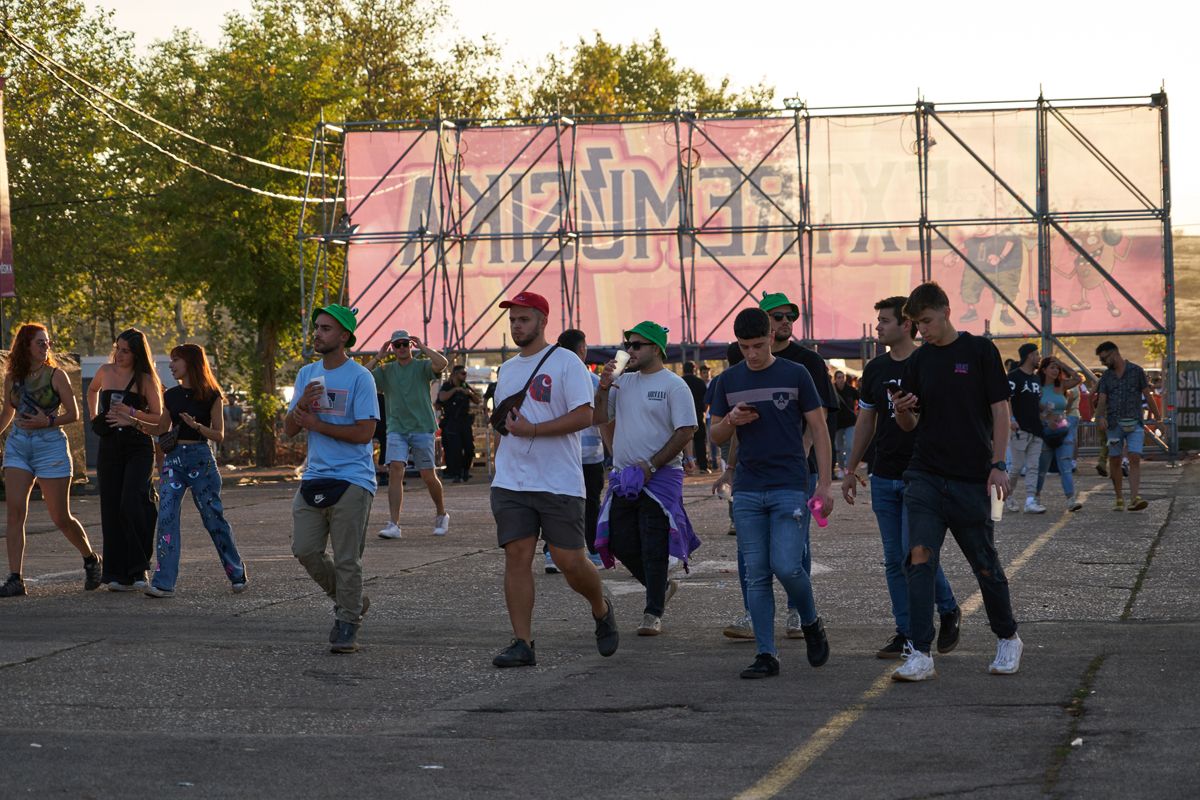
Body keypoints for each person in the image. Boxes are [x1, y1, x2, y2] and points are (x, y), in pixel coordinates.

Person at [891, 281, 1022, 681]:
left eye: (926, 321)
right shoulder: (918, 362)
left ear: (946, 311)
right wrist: (901, 410)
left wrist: (998, 463)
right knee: (918, 558)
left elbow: (1001, 410)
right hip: (925, 475)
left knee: (984, 565)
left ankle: (1007, 637)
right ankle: (919, 652)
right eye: (915, 324)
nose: (922, 331)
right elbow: (910, 424)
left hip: (971, 477)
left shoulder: (980, 350)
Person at [488, 291, 618, 668]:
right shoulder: (509, 368)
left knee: (569, 560)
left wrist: (533, 430)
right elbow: (508, 420)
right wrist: (506, 446)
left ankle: (600, 606)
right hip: (512, 480)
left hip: (558, 480)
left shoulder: (567, 364)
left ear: (543, 321)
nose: (517, 326)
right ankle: (522, 643)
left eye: (524, 319)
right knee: (517, 555)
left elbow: (585, 416)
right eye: (513, 320)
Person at [710, 307, 833, 679]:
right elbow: (714, 435)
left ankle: (810, 621)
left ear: (771, 337)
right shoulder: (728, 380)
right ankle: (767, 654)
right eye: (745, 347)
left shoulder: (797, 373)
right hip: (748, 489)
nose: (752, 354)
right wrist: (730, 421)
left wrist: (825, 485)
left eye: (759, 345)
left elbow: (820, 429)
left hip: (790, 486)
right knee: (756, 574)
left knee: (787, 565)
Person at [840, 297, 961, 659]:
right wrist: (850, 469)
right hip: (883, 474)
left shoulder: (928, 363)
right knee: (894, 559)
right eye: (877, 321)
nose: (878, 327)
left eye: (884, 321)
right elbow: (866, 421)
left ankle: (948, 607)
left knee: (915, 554)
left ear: (905, 325)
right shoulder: (875, 369)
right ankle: (905, 631)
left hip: (921, 474)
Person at [285, 305, 379, 653]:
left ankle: (347, 622)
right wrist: (301, 409)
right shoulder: (307, 374)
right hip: (315, 475)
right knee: (305, 549)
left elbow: (365, 433)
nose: (318, 334)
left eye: (326, 329)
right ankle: (351, 600)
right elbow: (289, 430)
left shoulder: (360, 378)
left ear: (344, 336)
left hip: (354, 478)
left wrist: (318, 424)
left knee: (345, 558)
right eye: (317, 327)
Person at [594, 321, 698, 636]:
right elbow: (599, 418)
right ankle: (661, 587)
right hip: (625, 478)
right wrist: (602, 388)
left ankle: (653, 611)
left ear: (656, 349)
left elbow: (686, 430)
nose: (630, 351)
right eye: (628, 345)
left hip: (661, 475)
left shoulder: (674, 385)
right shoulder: (622, 383)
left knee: (653, 544)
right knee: (621, 541)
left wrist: (651, 466)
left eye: (637, 345)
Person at [0, 324, 102, 598]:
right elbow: (8, 411)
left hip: (51, 446)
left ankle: (91, 558)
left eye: (47, 342)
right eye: (40, 343)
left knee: (60, 517)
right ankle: (15, 578)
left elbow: (74, 414)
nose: (46, 347)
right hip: (19, 445)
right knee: (15, 512)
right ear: (25, 346)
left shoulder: (57, 376)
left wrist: (48, 420)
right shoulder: (13, 377)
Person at [145, 344, 248, 598]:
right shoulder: (171, 396)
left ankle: (236, 573)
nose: (171, 365)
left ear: (190, 363)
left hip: (201, 460)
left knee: (213, 518)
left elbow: (220, 435)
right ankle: (163, 582)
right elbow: (160, 429)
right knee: (167, 517)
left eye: (176, 360)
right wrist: (134, 421)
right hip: (174, 462)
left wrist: (197, 426)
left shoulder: (212, 394)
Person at [86, 328, 163, 591]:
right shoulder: (106, 372)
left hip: (138, 446)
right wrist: (96, 418)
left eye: (125, 351)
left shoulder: (145, 379)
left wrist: (132, 414)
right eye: (117, 348)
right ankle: (116, 573)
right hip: (110, 445)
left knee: (132, 501)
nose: (119, 354)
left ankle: (139, 569)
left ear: (137, 353)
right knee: (111, 506)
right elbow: (92, 391)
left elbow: (159, 417)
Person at [365, 329, 450, 539]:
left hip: (422, 427)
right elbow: (361, 378)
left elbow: (442, 364)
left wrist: (423, 347)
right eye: (397, 345)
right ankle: (394, 524)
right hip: (396, 428)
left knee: (428, 474)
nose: (402, 348)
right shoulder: (386, 370)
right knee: (395, 470)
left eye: (405, 344)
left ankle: (441, 514)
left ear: (410, 346)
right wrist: (377, 357)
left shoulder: (422, 366)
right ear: (392, 348)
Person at [544, 329, 606, 572]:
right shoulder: (593, 381)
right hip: (590, 455)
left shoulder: (549, 380)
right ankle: (593, 551)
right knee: (591, 504)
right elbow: (604, 419)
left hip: (557, 453)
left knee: (554, 504)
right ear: (582, 349)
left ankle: (551, 553)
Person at [1093, 342, 1158, 511]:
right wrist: (1099, 417)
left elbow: (1148, 396)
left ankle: (1135, 497)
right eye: (1101, 360)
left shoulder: (1136, 371)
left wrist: (1158, 419)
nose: (1103, 363)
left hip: (1135, 422)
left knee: (1134, 456)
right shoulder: (1106, 376)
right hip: (1113, 425)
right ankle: (1119, 498)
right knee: (1114, 459)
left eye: (1104, 358)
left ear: (1115, 353)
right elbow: (1101, 399)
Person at [1033, 357, 1083, 513]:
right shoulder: (1038, 387)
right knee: (1042, 468)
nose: (1055, 371)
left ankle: (1070, 499)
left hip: (1063, 429)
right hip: (1045, 431)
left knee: (1065, 466)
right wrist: (1046, 419)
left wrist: (1062, 364)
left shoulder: (1061, 385)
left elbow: (1078, 378)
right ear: (1044, 370)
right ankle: (1035, 497)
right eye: (1052, 367)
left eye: (1057, 368)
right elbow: (1033, 408)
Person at [1005, 343, 1046, 514]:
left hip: (1036, 428)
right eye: (1036, 354)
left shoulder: (1036, 379)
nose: (1039, 358)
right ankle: (1007, 495)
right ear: (1029, 356)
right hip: (1019, 429)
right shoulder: (1013, 377)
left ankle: (1030, 500)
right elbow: (1006, 400)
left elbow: (1034, 402)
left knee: (1033, 466)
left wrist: (1045, 410)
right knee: (1016, 467)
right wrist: (1011, 419)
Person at [437, 365, 481, 484]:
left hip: (464, 422)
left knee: (469, 448)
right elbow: (441, 398)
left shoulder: (465, 385)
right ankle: (456, 473)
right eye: (462, 373)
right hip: (451, 421)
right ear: (455, 374)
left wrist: (469, 394)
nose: (464, 376)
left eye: (465, 373)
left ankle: (465, 470)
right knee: (454, 449)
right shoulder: (448, 386)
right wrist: (455, 390)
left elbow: (478, 400)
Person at [681, 361, 709, 472]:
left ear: (683, 370)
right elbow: (706, 401)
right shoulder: (700, 383)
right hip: (697, 415)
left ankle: (684, 466)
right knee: (700, 442)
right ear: (694, 370)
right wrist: (703, 411)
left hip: (682, 416)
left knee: (681, 442)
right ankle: (703, 466)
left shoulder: (679, 382)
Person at [833, 370, 859, 477]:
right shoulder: (832, 389)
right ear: (835, 379)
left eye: (842, 377)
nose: (840, 379)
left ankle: (848, 469)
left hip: (850, 422)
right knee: (838, 448)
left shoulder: (851, 390)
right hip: (837, 423)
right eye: (838, 377)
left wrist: (859, 413)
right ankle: (841, 468)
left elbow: (861, 399)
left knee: (849, 446)